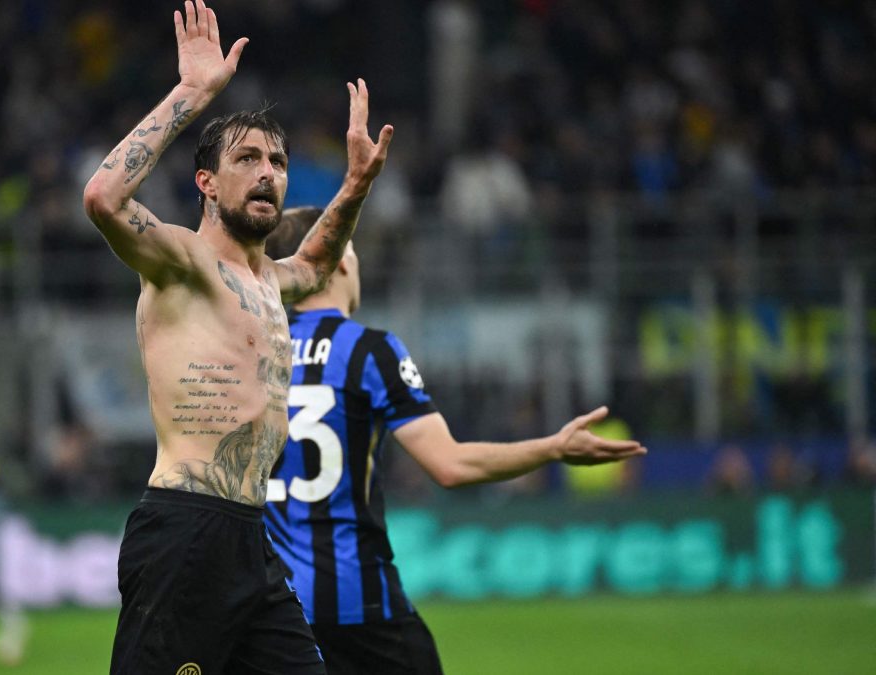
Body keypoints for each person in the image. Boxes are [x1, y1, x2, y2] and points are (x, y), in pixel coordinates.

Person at [81, 2, 393, 673]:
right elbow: (103, 198)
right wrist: (192, 93)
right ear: (205, 182)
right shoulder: (182, 261)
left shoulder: (271, 281)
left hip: (252, 536)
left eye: (277, 160)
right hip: (184, 530)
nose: (267, 172)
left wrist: (355, 185)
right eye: (247, 158)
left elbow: (316, 265)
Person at [263, 207, 648, 675]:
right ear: (339, 259)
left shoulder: (256, 350)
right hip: (357, 600)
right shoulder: (368, 350)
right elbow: (450, 465)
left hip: (274, 608)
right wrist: (553, 448)